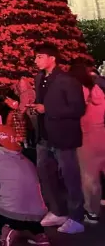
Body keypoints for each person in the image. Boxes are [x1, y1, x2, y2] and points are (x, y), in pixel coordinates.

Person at [31, 43, 86, 235]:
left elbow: (78, 109)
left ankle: (77, 217)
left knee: (70, 178)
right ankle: (58, 210)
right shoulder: (39, 79)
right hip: (44, 136)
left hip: (63, 137)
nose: (36, 61)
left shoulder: (66, 80)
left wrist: (48, 110)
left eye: (39, 57)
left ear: (51, 58)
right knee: (46, 175)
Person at [69, 61, 105, 224]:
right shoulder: (98, 90)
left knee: (90, 177)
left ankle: (92, 211)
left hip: (86, 136)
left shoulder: (79, 90)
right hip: (102, 133)